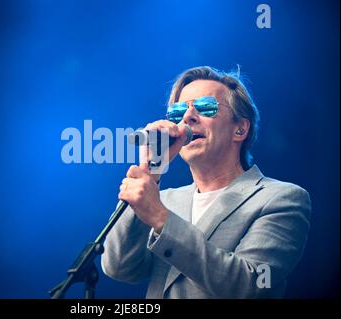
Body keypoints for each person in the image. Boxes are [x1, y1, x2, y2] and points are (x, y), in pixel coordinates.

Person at [101, 66, 311, 298]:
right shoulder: (164, 198)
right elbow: (119, 268)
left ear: (240, 129)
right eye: (177, 111)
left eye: (205, 107)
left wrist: (161, 219)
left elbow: (251, 283)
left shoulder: (281, 198)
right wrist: (150, 172)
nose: (187, 117)